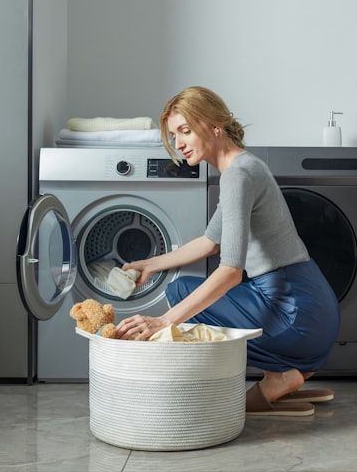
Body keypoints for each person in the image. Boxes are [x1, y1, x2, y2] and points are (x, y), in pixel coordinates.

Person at [116, 86, 340, 417]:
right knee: (181, 288)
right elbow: (210, 241)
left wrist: (162, 321)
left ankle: (280, 375)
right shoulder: (244, 167)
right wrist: (151, 263)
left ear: (214, 125)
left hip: (297, 316)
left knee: (180, 294)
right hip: (312, 309)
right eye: (173, 135)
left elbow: (231, 272)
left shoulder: (238, 175)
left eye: (185, 131)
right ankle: (288, 373)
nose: (178, 143)